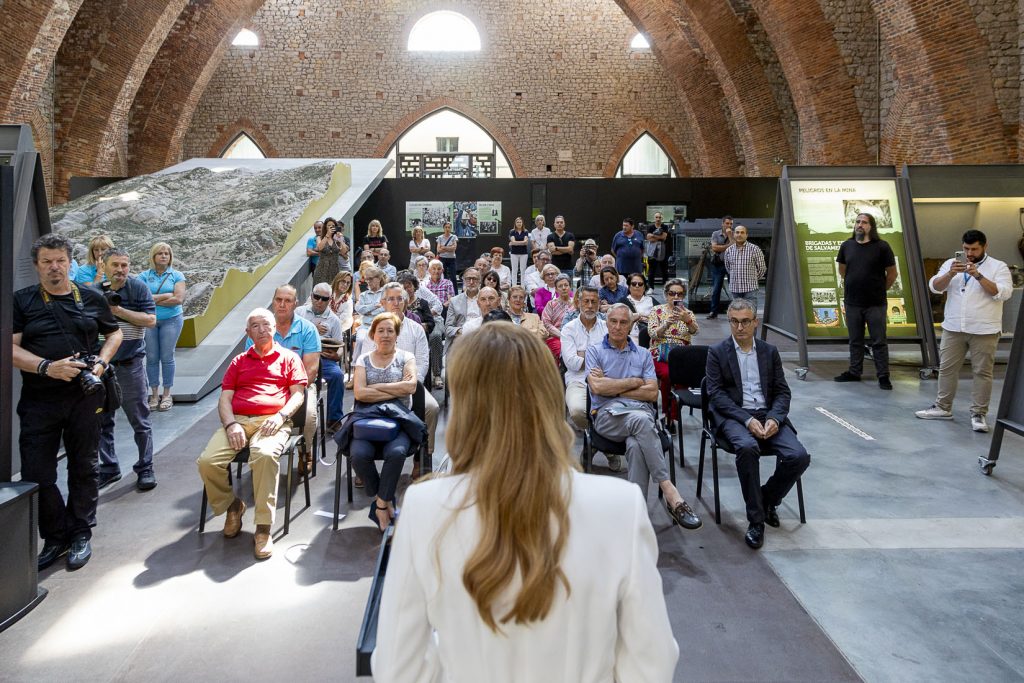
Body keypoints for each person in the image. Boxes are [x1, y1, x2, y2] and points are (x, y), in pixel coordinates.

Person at [373, 322, 679, 682]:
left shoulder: (424, 507)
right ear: (550, 397)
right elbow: (651, 662)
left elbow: (397, 668)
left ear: (466, 406)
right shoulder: (621, 506)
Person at [13, 233, 123, 571]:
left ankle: (79, 533)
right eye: (46, 262)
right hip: (39, 399)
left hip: (84, 397)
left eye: (60, 260)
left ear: (70, 262)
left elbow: (115, 332)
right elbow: (10, 347)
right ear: (36, 266)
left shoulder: (89, 296)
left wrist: (101, 364)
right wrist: (47, 367)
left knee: (84, 467)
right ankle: (55, 535)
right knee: (36, 471)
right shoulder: (22, 301)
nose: (54, 268)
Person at [196, 308, 307, 560]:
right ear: (248, 332)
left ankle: (263, 528)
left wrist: (280, 417)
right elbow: (225, 399)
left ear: (275, 328)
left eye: (266, 324)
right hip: (239, 421)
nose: (262, 329)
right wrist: (231, 424)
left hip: (273, 421)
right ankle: (232, 506)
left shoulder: (289, 358)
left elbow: (298, 394)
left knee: (264, 455)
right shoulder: (238, 362)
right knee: (208, 462)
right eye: (255, 326)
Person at [705, 299, 811, 550]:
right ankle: (756, 520)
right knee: (747, 447)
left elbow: (782, 392)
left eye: (745, 322)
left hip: (767, 414)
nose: (739, 327)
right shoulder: (717, 352)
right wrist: (747, 419)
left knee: (799, 456)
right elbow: (716, 395)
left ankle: (766, 499)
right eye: (734, 321)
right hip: (734, 416)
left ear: (755, 322)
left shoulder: (768, 352)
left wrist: (774, 418)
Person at [587, 304, 702, 530]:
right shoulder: (595, 351)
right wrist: (634, 381)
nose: (618, 327)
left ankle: (636, 514)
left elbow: (652, 392)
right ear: (606, 323)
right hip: (607, 416)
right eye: (613, 321)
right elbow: (598, 388)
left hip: (639, 415)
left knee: (636, 444)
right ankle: (670, 491)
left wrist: (614, 385)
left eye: (623, 322)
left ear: (631, 326)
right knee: (643, 421)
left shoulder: (642, 354)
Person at [916, 229, 1013, 433]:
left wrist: (978, 276)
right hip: (954, 327)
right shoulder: (951, 264)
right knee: (947, 369)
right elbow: (934, 286)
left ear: (985, 247)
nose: (969, 253)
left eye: (974, 249)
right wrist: (951, 273)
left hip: (984, 329)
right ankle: (943, 407)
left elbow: (1003, 293)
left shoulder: (998, 267)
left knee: (982, 372)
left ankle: (978, 413)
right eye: (966, 248)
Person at [343, 312, 423, 532]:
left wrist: (374, 389)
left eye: (390, 331)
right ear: (373, 334)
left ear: (397, 335)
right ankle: (385, 500)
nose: (385, 335)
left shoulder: (406, 357)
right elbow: (359, 394)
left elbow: (410, 387)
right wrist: (393, 390)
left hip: (398, 422)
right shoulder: (363, 359)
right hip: (367, 421)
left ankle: (379, 506)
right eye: (381, 331)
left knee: (396, 453)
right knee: (358, 455)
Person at [352, 284, 437, 475]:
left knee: (432, 408)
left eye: (400, 299)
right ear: (382, 303)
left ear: (406, 302)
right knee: (355, 410)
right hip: (376, 386)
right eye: (391, 298)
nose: (395, 303)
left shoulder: (416, 329)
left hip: (412, 387)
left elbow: (423, 362)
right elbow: (365, 365)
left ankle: (422, 456)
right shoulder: (373, 330)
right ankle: (363, 463)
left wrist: (413, 384)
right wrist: (391, 388)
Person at [97, 248, 158, 491]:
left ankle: (145, 467)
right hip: (101, 366)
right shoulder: (93, 291)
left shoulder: (138, 288)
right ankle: (109, 467)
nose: (120, 270)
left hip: (130, 364)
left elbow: (151, 320)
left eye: (124, 265)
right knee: (102, 420)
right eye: (115, 265)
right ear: (104, 266)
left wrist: (118, 311)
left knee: (140, 420)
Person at [833, 212, 898, 390]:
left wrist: (878, 289)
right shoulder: (847, 245)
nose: (860, 225)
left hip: (875, 303)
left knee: (878, 341)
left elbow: (892, 274)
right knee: (855, 340)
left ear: (871, 226)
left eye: (864, 222)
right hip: (853, 302)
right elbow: (842, 270)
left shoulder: (882, 247)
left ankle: (883, 376)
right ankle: (854, 372)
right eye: (857, 222)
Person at [138, 241, 186, 412]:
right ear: (153, 256)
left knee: (167, 356)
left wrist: (154, 298)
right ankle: (153, 393)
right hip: (150, 321)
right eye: (160, 253)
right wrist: (166, 295)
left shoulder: (177, 275)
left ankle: (166, 393)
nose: (164, 256)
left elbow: (178, 299)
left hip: (172, 320)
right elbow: (142, 299)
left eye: (167, 253)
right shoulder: (143, 276)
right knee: (151, 357)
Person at [296, 283, 345, 433]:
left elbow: (340, 344)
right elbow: (292, 334)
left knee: (337, 375)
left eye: (324, 299)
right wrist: (312, 328)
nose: (319, 301)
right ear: (311, 296)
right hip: (301, 355)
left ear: (330, 300)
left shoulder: (334, 320)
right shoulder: (299, 312)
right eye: (317, 297)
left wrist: (336, 355)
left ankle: (333, 418)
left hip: (324, 357)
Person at [647, 279, 699, 418]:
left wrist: (687, 320)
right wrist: (666, 324)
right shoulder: (656, 311)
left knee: (682, 377)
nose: (676, 297)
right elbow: (652, 333)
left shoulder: (688, 313)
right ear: (666, 295)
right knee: (667, 375)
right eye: (672, 293)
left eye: (680, 294)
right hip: (660, 352)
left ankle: (672, 417)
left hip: (681, 354)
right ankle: (667, 413)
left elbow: (695, 331)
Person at [560, 286, 609, 436]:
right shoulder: (569, 329)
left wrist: (582, 354)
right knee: (576, 411)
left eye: (593, 302)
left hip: (605, 378)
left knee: (613, 412)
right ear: (579, 302)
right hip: (578, 380)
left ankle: (595, 444)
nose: (589, 306)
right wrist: (597, 355)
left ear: (599, 303)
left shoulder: (607, 327)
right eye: (586, 301)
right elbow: (571, 363)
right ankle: (598, 438)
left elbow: (611, 360)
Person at [398, 272, 445, 390]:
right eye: (403, 286)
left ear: (414, 286)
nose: (406, 289)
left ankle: (431, 379)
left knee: (435, 339)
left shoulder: (422, 302)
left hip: (420, 335)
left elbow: (431, 322)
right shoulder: (397, 303)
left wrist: (421, 326)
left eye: (409, 285)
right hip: (401, 335)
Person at [723, 225, 766, 312]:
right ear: (734, 234)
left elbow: (762, 269)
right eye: (737, 232)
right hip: (735, 289)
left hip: (750, 290)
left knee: (751, 314)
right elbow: (728, 268)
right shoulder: (729, 250)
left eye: (742, 232)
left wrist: (752, 278)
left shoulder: (755, 249)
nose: (739, 234)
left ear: (746, 235)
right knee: (736, 314)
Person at [445, 267, 482, 343]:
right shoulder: (454, 301)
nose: (471, 282)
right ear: (464, 281)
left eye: (474, 279)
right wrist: (463, 331)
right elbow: (448, 328)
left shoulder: (486, 298)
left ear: (479, 281)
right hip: (461, 338)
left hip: (482, 337)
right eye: (468, 279)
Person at [706, 216, 733, 319]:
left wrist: (730, 236)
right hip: (719, 265)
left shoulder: (735, 233)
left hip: (731, 265)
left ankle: (734, 311)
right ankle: (713, 311)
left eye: (731, 224)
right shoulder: (716, 234)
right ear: (722, 224)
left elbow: (735, 246)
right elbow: (714, 247)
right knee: (716, 289)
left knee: (734, 289)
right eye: (727, 223)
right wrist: (728, 246)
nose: (729, 225)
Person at [541, 275, 574, 357]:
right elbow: (546, 323)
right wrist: (562, 335)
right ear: (556, 289)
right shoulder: (551, 304)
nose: (564, 288)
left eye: (566, 285)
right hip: (556, 337)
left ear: (570, 287)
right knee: (561, 350)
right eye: (560, 286)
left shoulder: (577, 304)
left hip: (575, 336)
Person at [313, 217, 350, 286]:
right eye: (329, 225)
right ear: (325, 227)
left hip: (334, 269)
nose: (331, 227)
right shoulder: (320, 238)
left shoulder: (336, 238)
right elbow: (320, 248)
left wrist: (341, 240)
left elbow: (344, 251)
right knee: (319, 290)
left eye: (333, 226)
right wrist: (327, 235)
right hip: (322, 268)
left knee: (332, 291)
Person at [625, 273, 656, 345]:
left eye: (640, 284)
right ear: (629, 286)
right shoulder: (623, 301)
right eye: (633, 284)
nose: (637, 286)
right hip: (630, 337)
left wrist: (648, 318)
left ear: (644, 287)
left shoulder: (652, 300)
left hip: (650, 337)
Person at [645, 212, 670, 285]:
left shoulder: (665, 227)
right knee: (651, 270)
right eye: (656, 217)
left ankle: (665, 286)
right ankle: (651, 287)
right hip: (652, 251)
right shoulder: (651, 227)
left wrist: (653, 236)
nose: (658, 219)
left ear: (662, 218)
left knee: (664, 270)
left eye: (659, 217)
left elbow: (664, 237)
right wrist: (659, 237)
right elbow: (649, 238)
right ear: (654, 218)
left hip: (663, 251)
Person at [435, 221, 459, 292]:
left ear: (451, 228)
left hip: (452, 259)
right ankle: (444, 291)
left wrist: (444, 247)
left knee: (453, 277)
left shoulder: (454, 237)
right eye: (446, 227)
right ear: (443, 228)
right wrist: (449, 247)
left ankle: (455, 292)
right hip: (442, 259)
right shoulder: (440, 237)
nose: (447, 229)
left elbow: (454, 248)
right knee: (444, 276)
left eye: (449, 227)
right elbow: (439, 250)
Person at [508, 216, 530, 286]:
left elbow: (526, 243)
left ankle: (523, 287)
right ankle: (514, 286)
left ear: (522, 223)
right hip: (514, 253)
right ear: (515, 223)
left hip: (524, 253)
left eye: (520, 222)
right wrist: (522, 242)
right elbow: (513, 241)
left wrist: (514, 243)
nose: (519, 223)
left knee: (523, 270)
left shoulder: (525, 231)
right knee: (514, 270)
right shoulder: (512, 231)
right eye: (517, 222)